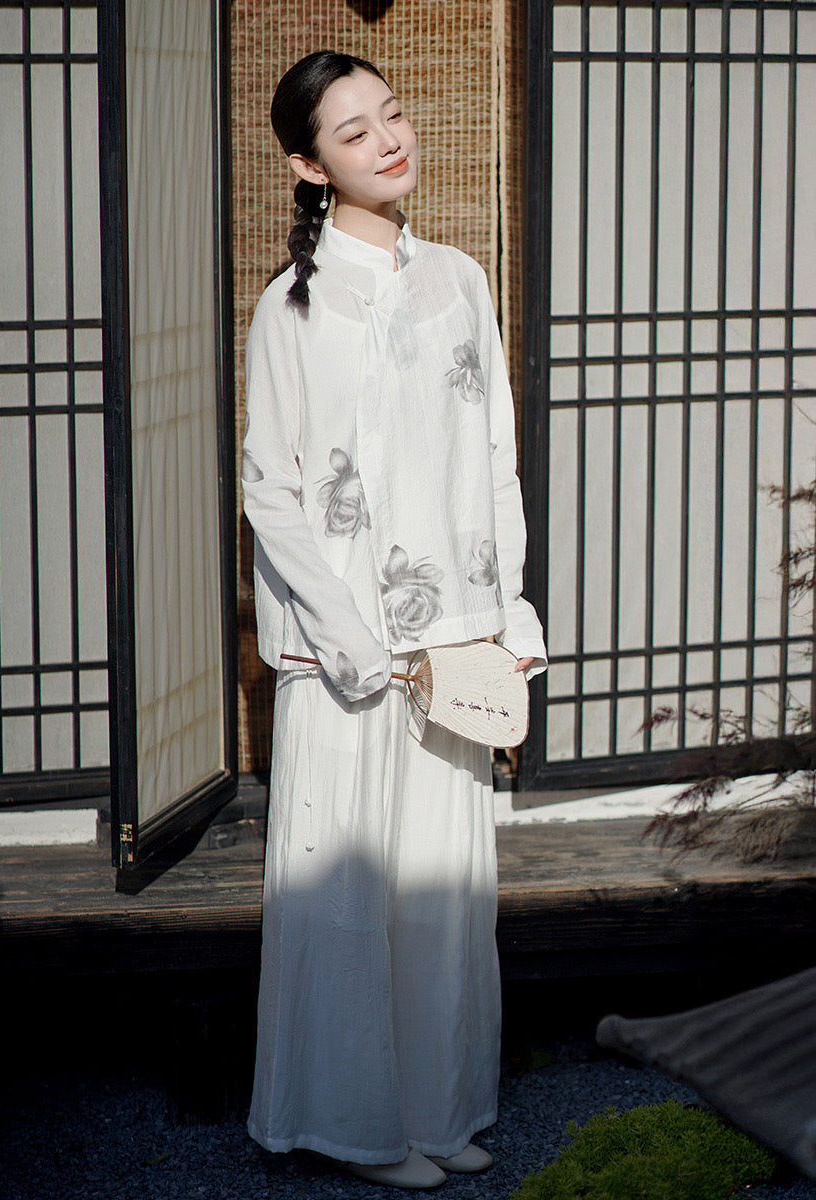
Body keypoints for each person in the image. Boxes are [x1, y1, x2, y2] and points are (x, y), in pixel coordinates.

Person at [241, 50, 547, 1191]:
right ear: (309, 165)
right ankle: (356, 1126)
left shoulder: (458, 279)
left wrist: (507, 609)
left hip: (451, 639)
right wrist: (350, 636)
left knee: (443, 896)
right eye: (354, 130)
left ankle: (438, 1108)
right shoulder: (293, 307)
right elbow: (270, 488)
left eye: (394, 114)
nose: (389, 140)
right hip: (346, 653)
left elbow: (493, 457)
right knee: (347, 894)